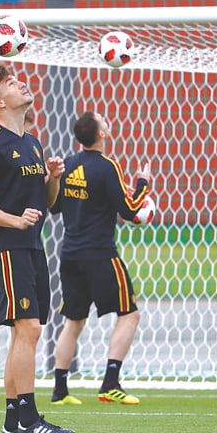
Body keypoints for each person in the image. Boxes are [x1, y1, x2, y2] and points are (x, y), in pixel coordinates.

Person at [0, 63, 75, 433]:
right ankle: (30, 420)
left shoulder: (32, 142)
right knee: (27, 328)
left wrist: (54, 179)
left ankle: (13, 422)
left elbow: (46, 203)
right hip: (6, 247)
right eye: (12, 84)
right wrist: (14, 221)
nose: (21, 84)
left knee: (24, 332)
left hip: (30, 246)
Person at [49, 111, 152, 406]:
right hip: (100, 255)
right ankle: (110, 382)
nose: (108, 123)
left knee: (73, 321)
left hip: (69, 254)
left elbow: (55, 207)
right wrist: (143, 184)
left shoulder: (67, 165)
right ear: (101, 134)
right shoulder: (108, 167)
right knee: (130, 314)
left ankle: (60, 390)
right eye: (104, 121)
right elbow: (131, 211)